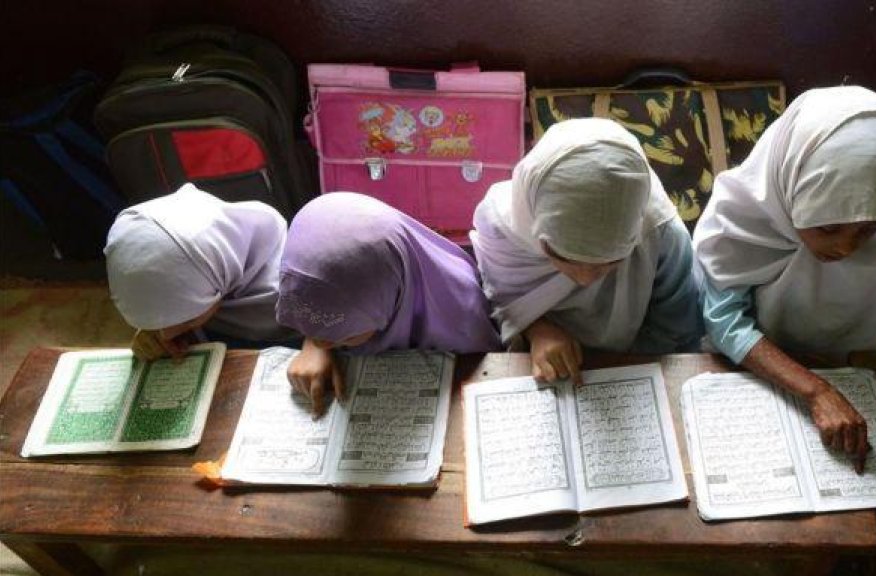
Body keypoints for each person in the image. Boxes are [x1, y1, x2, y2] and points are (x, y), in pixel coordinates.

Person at [693, 85, 876, 472]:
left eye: (866, 230)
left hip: (848, 369)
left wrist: (831, 384)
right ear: (789, 186)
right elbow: (724, 323)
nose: (845, 249)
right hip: (746, 371)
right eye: (826, 228)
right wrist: (815, 391)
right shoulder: (740, 217)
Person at [471, 117, 704, 383]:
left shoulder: (659, 234)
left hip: (638, 363)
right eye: (560, 254)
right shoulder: (503, 226)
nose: (585, 278)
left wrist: (619, 372)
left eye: (612, 260)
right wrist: (535, 329)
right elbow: (499, 295)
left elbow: (676, 331)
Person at [276, 192, 501, 415]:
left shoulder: (461, 317)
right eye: (306, 328)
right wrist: (312, 347)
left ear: (395, 299)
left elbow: (482, 375)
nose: (323, 343)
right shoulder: (346, 299)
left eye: (345, 336)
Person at [105, 183, 295, 361]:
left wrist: (318, 347)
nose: (167, 334)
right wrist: (151, 332)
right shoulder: (205, 275)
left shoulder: (301, 287)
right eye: (157, 323)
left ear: (220, 272)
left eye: (188, 318)